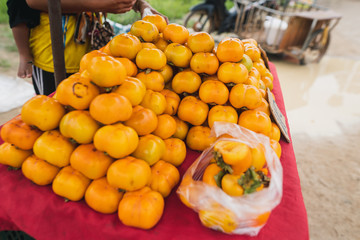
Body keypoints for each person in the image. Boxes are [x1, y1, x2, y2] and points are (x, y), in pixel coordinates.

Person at [8, 0, 165, 95]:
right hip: (52, 58)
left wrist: (141, 4)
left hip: (93, 56)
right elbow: (24, 3)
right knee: (53, 110)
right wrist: (24, 55)